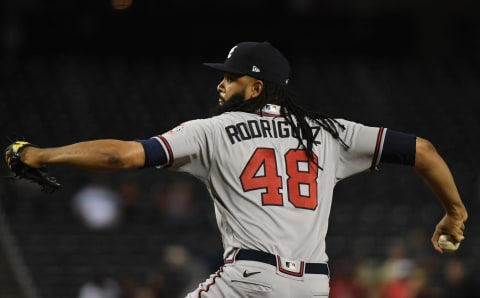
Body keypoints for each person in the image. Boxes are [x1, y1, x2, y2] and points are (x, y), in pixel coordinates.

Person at [4, 41, 468, 297]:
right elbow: (423, 149)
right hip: (312, 286)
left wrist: (41, 154)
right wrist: (455, 214)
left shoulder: (213, 130)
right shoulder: (330, 132)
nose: (222, 83)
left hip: (250, 280)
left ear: (257, 86)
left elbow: (120, 157)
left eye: (231, 76)